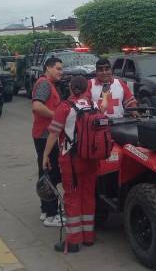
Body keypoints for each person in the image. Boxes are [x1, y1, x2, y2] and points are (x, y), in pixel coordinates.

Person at [43, 76, 106, 253]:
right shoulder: (94, 106)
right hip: (91, 159)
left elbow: (54, 133)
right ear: (87, 89)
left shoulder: (65, 107)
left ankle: (73, 241)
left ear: (70, 88)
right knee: (88, 196)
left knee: (72, 197)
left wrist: (45, 155)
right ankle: (88, 236)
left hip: (71, 160)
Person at [32, 57, 63, 227]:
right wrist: (56, 116)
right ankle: (52, 215)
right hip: (45, 136)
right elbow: (37, 106)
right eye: (58, 68)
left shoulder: (47, 84)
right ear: (48, 68)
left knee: (45, 173)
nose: (61, 72)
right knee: (51, 174)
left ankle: (45, 210)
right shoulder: (44, 84)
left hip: (42, 135)